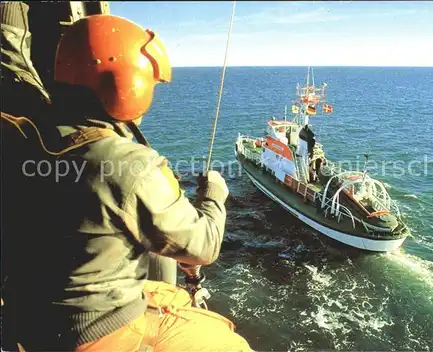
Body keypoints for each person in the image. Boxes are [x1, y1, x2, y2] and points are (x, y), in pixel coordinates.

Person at [1, 12, 251, 352]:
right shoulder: (128, 165)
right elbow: (203, 246)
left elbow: (13, 66)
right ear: (127, 83)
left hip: (28, 316)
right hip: (94, 331)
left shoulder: (21, 126)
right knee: (228, 342)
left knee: (170, 295)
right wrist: (213, 196)